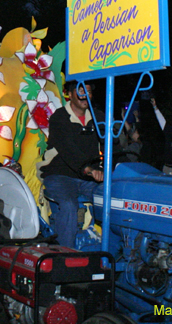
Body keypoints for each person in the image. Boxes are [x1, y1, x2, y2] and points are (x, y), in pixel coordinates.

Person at [40, 81, 103, 247]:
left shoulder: (98, 118)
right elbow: (68, 149)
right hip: (60, 176)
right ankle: (64, 255)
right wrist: (88, 169)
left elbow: (112, 144)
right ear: (69, 94)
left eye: (88, 91)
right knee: (68, 205)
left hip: (88, 178)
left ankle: (110, 251)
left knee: (112, 199)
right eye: (81, 91)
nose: (85, 96)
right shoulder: (59, 118)